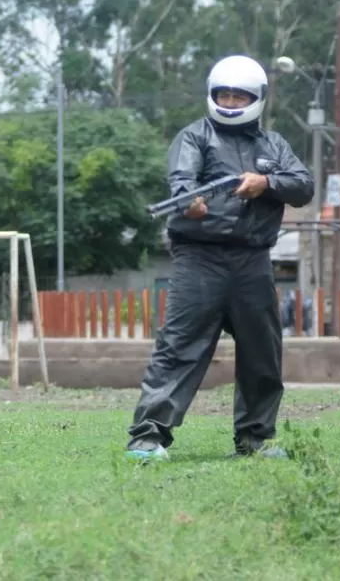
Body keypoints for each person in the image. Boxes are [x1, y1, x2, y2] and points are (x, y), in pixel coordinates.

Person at [125, 55, 315, 462]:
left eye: (239, 95)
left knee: (262, 352)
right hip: (200, 259)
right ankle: (148, 436)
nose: (230, 101)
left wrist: (266, 183)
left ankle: (256, 439)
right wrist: (191, 203)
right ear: (212, 95)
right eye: (223, 93)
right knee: (178, 348)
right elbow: (182, 182)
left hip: (254, 261)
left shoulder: (274, 145)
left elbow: (303, 186)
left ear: (257, 98)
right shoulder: (194, 137)